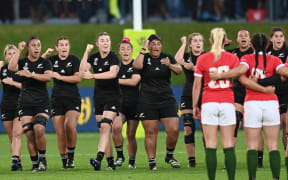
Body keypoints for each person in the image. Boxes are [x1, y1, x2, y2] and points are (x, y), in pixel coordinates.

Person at [210, 33, 288, 180]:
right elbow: (285, 73)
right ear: (267, 46)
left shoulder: (247, 58)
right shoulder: (275, 59)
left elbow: (239, 72)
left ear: (252, 45)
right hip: (271, 103)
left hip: (252, 103)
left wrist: (220, 75)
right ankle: (276, 177)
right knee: (273, 146)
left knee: (252, 146)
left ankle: (252, 177)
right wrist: (267, 82)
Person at [192, 27, 238, 180]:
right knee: (228, 144)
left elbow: (197, 84)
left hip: (209, 102)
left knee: (211, 143)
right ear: (226, 41)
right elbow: (240, 79)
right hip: (227, 102)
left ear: (210, 41)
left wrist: (194, 106)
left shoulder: (202, 58)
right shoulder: (233, 58)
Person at [133, 34, 182, 170]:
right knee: (150, 132)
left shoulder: (167, 57)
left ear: (161, 45)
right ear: (148, 46)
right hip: (147, 100)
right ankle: (152, 162)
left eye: (158, 44)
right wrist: (142, 49)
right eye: (152, 44)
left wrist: (169, 65)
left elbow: (179, 70)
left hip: (167, 99)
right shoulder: (144, 57)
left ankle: (169, 156)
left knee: (173, 130)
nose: (155, 46)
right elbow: (136, 65)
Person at [8, 37, 52, 172]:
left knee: (39, 128)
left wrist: (31, 74)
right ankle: (34, 164)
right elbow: (11, 67)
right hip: (25, 103)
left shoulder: (45, 62)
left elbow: (48, 77)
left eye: (39, 45)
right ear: (28, 47)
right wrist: (19, 50)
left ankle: (42, 160)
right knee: (29, 134)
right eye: (33, 45)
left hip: (41, 102)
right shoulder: (22, 62)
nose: (37, 47)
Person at [80, 32, 120, 171]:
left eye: (107, 40)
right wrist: (86, 51)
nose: (105, 43)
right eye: (102, 40)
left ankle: (98, 158)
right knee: (104, 130)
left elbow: (112, 73)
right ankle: (110, 164)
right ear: (97, 44)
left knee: (105, 126)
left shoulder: (114, 57)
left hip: (113, 96)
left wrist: (93, 75)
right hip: (99, 98)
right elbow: (82, 70)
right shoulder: (94, 57)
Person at [42, 37, 82, 169]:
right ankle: (64, 160)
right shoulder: (52, 60)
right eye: (61, 45)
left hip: (72, 99)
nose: (64, 47)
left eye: (66, 45)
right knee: (60, 132)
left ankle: (71, 156)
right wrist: (45, 55)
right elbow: (36, 66)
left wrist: (60, 77)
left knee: (69, 126)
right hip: (56, 100)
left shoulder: (74, 60)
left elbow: (78, 78)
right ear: (57, 47)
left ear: (69, 47)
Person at [174, 33, 204, 167]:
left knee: (206, 130)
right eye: (195, 41)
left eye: (200, 41)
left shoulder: (207, 57)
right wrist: (183, 43)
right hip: (187, 94)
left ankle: (210, 155)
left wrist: (193, 67)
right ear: (191, 44)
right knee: (188, 129)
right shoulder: (187, 56)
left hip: (204, 94)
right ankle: (191, 161)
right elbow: (177, 59)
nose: (198, 43)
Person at [112, 37, 140, 168]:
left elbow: (134, 81)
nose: (125, 51)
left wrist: (115, 81)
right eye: (122, 49)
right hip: (119, 104)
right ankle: (119, 156)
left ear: (132, 51)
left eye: (128, 49)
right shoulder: (115, 67)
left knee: (130, 134)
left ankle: (132, 161)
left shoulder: (136, 65)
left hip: (134, 103)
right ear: (119, 51)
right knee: (116, 127)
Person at [0, 45, 22, 171]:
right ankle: (18, 161)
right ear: (5, 56)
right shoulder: (3, 69)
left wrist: (12, 82)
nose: (12, 55)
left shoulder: (21, 68)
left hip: (20, 104)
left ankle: (14, 161)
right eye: (9, 53)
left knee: (17, 133)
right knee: (11, 137)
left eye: (14, 53)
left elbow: (27, 87)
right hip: (6, 105)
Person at [266, 27, 288, 150]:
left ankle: (286, 152)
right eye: (276, 36)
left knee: (285, 122)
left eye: (281, 36)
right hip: (270, 92)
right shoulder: (267, 51)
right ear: (271, 38)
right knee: (270, 125)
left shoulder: (287, 51)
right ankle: (265, 154)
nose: (279, 38)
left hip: (285, 91)